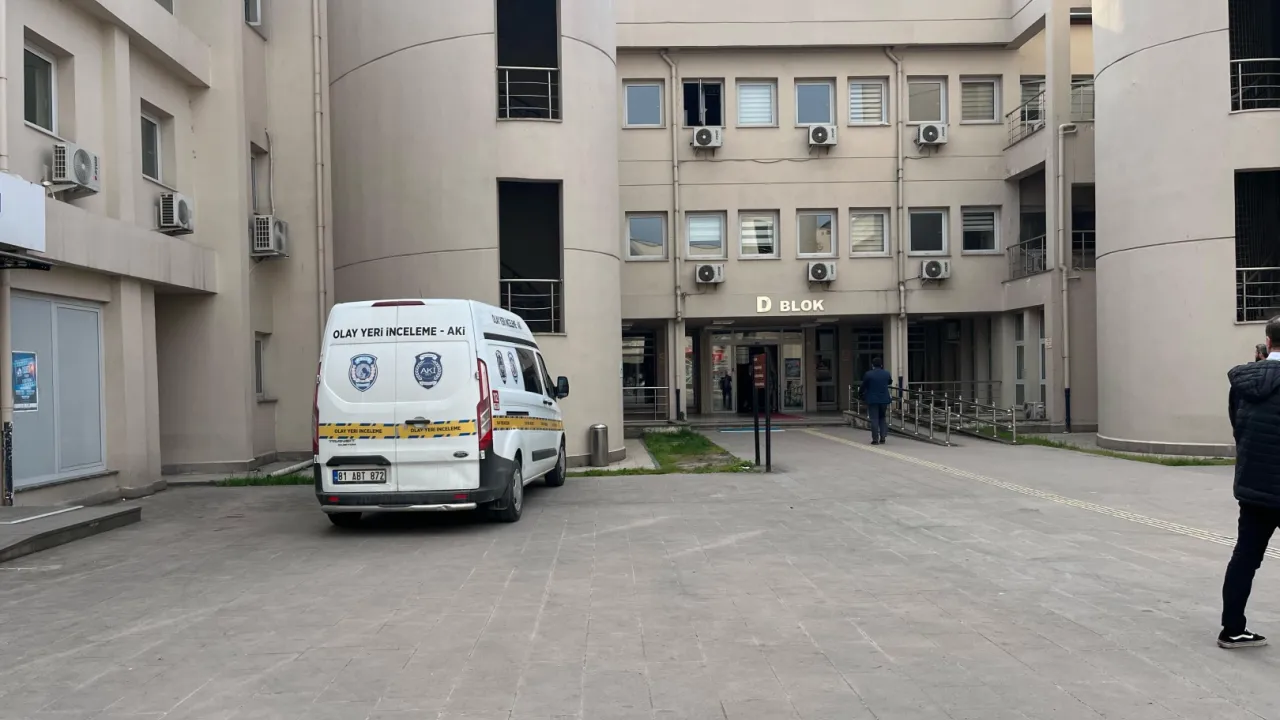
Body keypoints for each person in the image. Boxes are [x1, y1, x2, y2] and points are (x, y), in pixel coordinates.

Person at [1220, 318, 1280, 648]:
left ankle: (1232, 629)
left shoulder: (1243, 382)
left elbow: (1237, 426)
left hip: (1255, 484)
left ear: (1267, 342)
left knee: (1245, 557)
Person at [860, 357, 894, 445]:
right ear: (881, 365)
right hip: (884, 399)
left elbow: (863, 386)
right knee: (882, 418)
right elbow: (890, 382)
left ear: (872, 365)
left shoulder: (868, 374)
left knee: (874, 419)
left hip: (872, 400)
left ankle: (875, 439)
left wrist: (861, 394)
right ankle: (883, 437)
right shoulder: (886, 373)